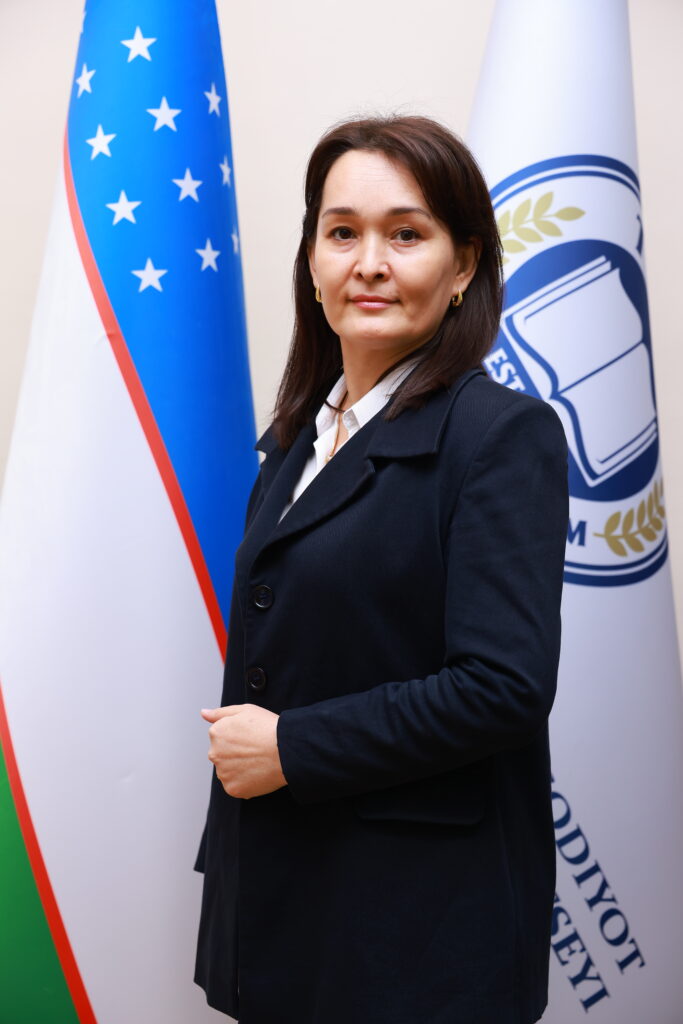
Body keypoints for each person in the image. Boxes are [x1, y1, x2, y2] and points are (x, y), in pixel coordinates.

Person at [194, 114, 569, 1024]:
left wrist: (291, 747)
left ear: (463, 265)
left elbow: (502, 686)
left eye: (405, 234)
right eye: (342, 233)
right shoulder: (294, 439)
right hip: (282, 902)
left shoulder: (500, 436)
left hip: (415, 930)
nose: (368, 263)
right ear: (311, 260)